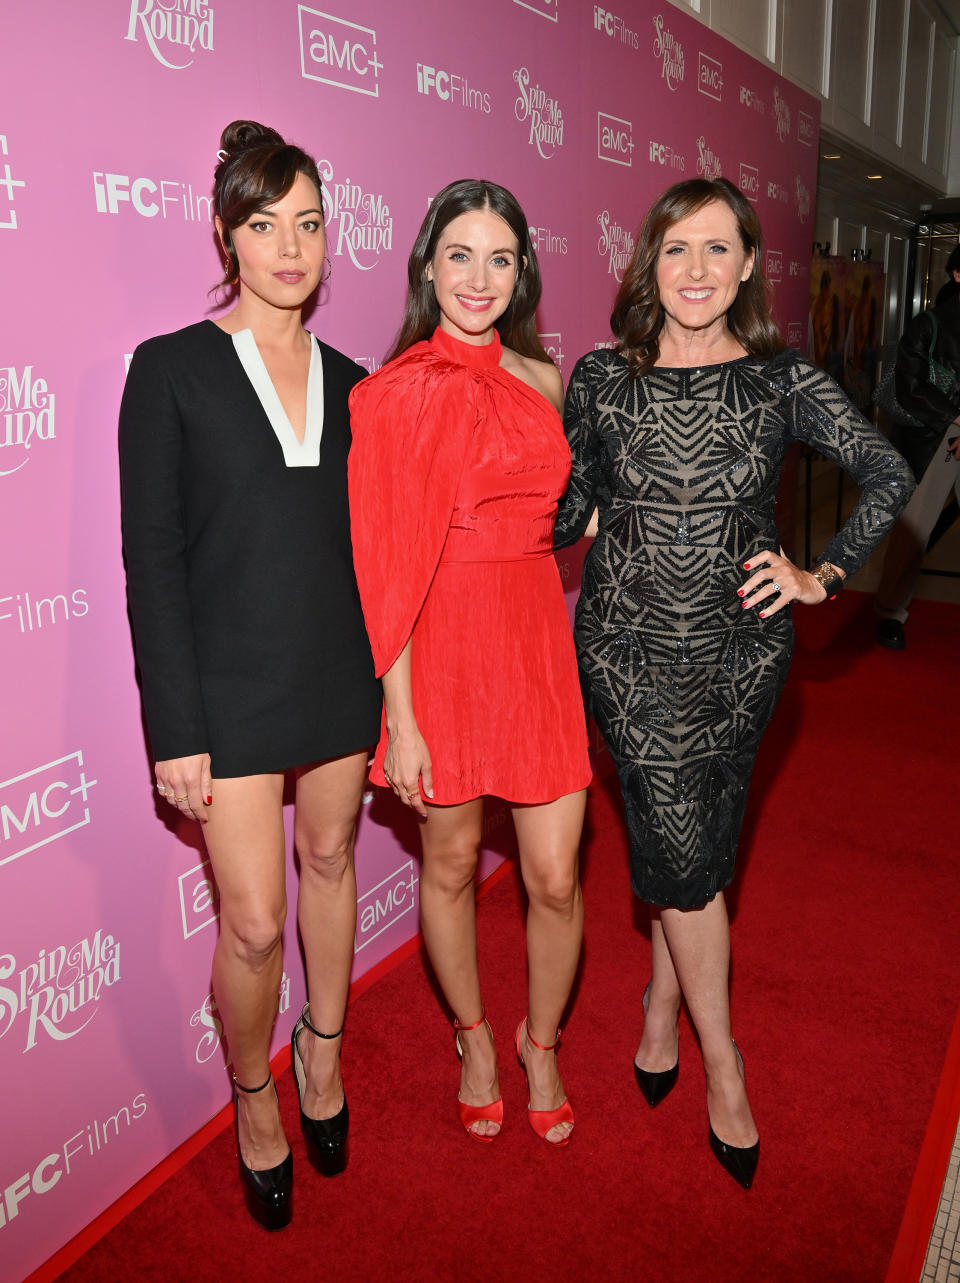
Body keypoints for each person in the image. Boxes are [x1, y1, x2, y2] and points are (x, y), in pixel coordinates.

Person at [555, 177, 913, 1188]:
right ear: (648, 264)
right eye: (677, 250)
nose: (698, 271)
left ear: (750, 264)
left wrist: (821, 571)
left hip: (744, 650)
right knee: (678, 841)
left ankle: (663, 1003)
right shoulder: (598, 378)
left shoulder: (781, 381)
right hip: (624, 649)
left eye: (719, 250)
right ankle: (727, 1062)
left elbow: (885, 471)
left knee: (700, 848)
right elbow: (569, 508)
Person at [119, 120, 382, 1229]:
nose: (290, 245)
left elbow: (383, 550)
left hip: (338, 680)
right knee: (255, 923)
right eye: (266, 222)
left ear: (330, 241)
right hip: (225, 698)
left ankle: (323, 1048)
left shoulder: (357, 382)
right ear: (227, 230)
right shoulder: (169, 369)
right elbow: (154, 562)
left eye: (309, 223)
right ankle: (255, 1090)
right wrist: (175, 727)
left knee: (330, 857)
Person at [348, 179, 591, 1148]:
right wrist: (399, 715)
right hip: (437, 648)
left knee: (557, 876)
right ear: (427, 267)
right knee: (448, 864)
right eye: (460, 255)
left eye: (500, 257)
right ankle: (476, 1037)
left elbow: (565, 511)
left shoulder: (546, 379)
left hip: (533, 642)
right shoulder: (392, 392)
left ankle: (542, 1040)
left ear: (522, 269)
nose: (479, 277)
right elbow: (385, 563)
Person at [875, 248, 960, 649]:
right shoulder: (929, 324)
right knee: (915, 529)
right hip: (936, 438)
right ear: (957, 275)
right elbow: (909, 388)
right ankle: (891, 613)